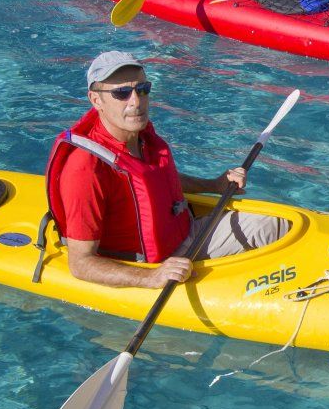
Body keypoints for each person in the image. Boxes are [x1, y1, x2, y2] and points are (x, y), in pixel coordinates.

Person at [45, 51, 288, 289]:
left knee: (276, 226)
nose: (136, 101)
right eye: (122, 93)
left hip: (186, 235)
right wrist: (150, 278)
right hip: (152, 265)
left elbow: (157, 182)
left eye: (142, 90)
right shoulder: (84, 169)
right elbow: (80, 263)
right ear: (96, 99)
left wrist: (213, 185)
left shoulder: (140, 138)